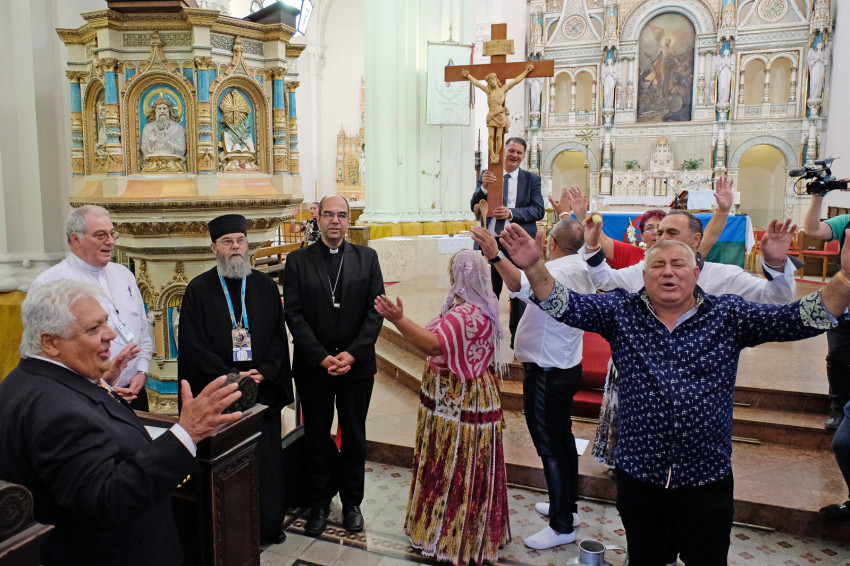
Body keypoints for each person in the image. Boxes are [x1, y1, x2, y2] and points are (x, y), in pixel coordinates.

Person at [499, 225, 850, 563]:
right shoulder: (622, 312)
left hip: (705, 477)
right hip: (640, 476)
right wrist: (533, 266)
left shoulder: (728, 314)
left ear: (696, 273)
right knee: (646, 557)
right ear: (644, 275)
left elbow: (802, 318)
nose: (668, 272)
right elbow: (564, 305)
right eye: (658, 265)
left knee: (706, 559)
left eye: (678, 264)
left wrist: (846, 278)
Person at [0, 279, 243, 566]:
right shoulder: (60, 414)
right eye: (94, 328)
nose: (111, 334)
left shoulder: (24, 380)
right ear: (50, 342)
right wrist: (187, 433)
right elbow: (106, 499)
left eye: (106, 321)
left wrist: (98, 384)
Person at [373, 250, 510, 565]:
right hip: (466, 396)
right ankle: (470, 532)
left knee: (457, 463)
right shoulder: (479, 305)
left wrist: (398, 320)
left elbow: (434, 344)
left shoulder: (466, 313)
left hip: (460, 400)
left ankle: (453, 536)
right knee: (466, 464)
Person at [471, 218, 591, 550]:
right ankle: (566, 507)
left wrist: (495, 255)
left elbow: (519, 285)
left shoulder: (559, 272)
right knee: (562, 440)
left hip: (548, 370)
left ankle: (561, 526)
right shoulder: (580, 265)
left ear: (552, 244)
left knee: (550, 446)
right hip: (563, 364)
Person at [177, 213, 293, 545]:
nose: (236, 247)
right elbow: (193, 346)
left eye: (240, 240)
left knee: (266, 460)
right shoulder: (198, 290)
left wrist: (265, 371)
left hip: (261, 390)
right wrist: (229, 376)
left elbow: (278, 338)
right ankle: (227, 527)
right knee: (225, 462)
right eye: (227, 241)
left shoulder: (265, 286)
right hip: (220, 394)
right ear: (214, 247)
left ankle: (268, 524)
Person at [283, 195, 385, 536]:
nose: (335, 221)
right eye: (329, 214)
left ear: (349, 220)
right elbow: (293, 313)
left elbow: (375, 312)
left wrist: (352, 354)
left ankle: (352, 502)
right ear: (319, 219)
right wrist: (320, 356)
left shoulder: (367, 258)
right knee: (316, 437)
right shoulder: (298, 261)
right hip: (315, 369)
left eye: (342, 215)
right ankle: (319, 502)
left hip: (357, 368)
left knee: (354, 436)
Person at [30, 205, 152, 410]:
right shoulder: (50, 283)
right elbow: (46, 355)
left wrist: (142, 370)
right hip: (84, 398)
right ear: (76, 239)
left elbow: (142, 329)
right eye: (101, 235)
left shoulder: (124, 274)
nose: (111, 241)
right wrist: (103, 385)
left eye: (112, 233)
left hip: (134, 391)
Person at [470, 137, 545, 349]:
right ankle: (486, 340)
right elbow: (474, 206)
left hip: (517, 244)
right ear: (504, 152)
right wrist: (484, 188)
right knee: (488, 292)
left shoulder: (531, 180)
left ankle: (517, 343)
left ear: (524, 156)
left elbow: (538, 210)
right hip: (490, 242)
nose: (515, 155)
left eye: (519, 152)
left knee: (519, 294)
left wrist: (512, 213)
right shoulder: (488, 175)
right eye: (511, 150)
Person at [804, 195, 850, 429]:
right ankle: (838, 409)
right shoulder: (846, 221)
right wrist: (818, 197)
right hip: (845, 298)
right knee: (837, 356)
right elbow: (812, 229)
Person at [462, 64, 534, 163]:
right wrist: (468, 75)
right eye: (490, 80)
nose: (492, 82)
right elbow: (477, 83)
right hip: (491, 115)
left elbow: (516, 81)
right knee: (491, 135)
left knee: (499, 136)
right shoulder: (488, 90)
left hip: (500, 116)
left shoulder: (503, 89)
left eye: (493, 79)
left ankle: (497, 154)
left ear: (496, 80)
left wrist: (527, 71)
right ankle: (492, 154)